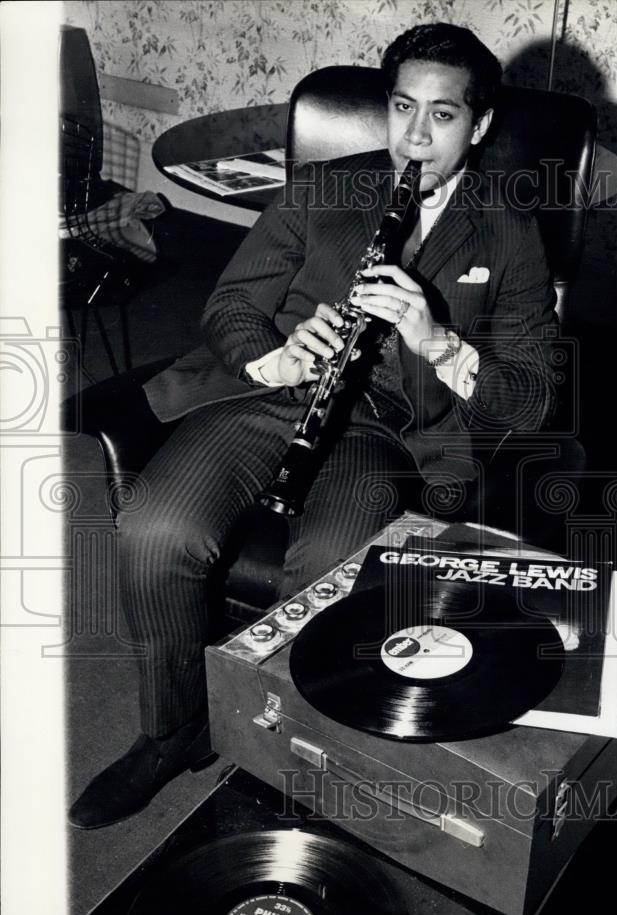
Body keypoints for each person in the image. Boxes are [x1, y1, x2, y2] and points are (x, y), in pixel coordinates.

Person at [68, 22, 557, 829]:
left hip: (386, 434)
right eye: (404, 107)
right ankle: (172, 729)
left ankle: (288, 749)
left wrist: (437, 340)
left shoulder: (508, 232)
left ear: (482, 125)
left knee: (329, 574)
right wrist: (275, 358)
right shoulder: (326, 188)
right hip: (270, 401)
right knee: (154, 531)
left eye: (442, 115)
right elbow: (230, 304)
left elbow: (531, 397)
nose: (415, 135)